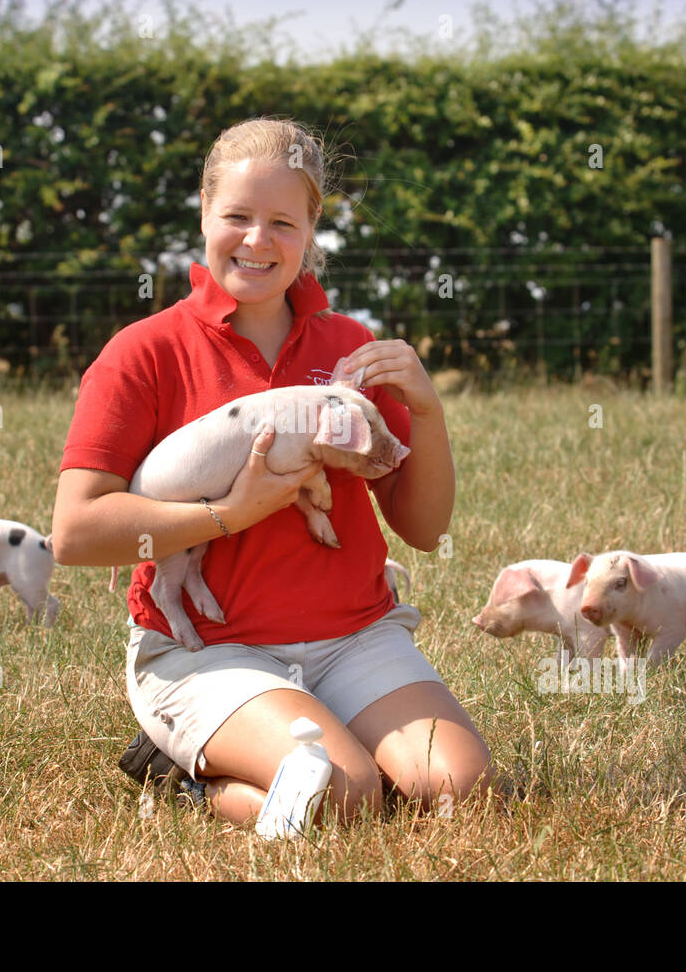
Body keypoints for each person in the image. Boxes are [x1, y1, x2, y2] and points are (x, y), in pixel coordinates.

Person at [51, 116, 491, 826]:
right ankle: (187, 778)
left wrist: (428, 411)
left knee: (460, 788)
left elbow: (424, 527)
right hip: (211, 651)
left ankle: (319, 743)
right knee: (339, 796)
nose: (257, 240)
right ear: (202, 214)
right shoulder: (144, 351)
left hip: (354, 638)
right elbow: (75, 534)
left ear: (313, 230)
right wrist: (229, 513)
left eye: (283, 222)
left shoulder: (349, 347)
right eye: (237, 216)